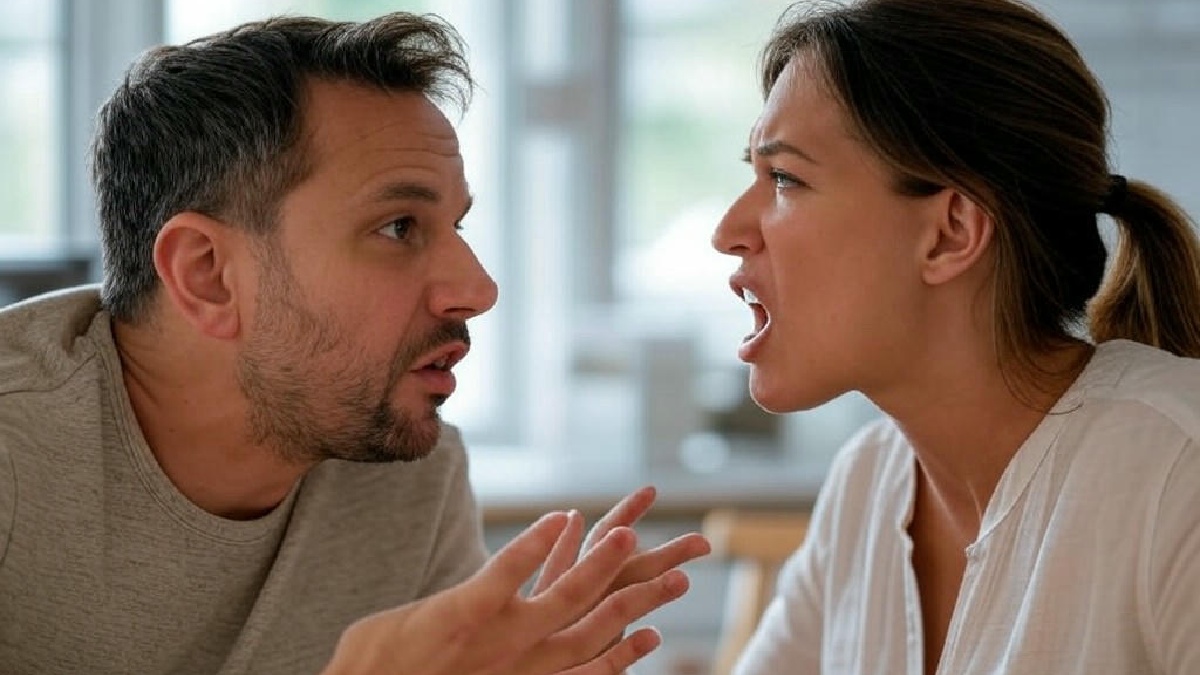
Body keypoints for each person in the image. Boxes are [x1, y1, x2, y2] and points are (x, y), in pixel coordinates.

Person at [0, 13, 709, 675]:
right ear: (207, 274)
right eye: (398, 227)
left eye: (456, 227)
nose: (479, 289)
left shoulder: (409, 471)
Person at [711, 0, 1200, 673]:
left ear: (950, 234)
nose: (728, 231)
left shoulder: (1178, 475)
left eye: (785, 178)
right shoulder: (866, 483)